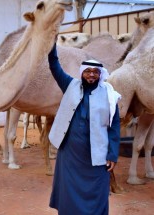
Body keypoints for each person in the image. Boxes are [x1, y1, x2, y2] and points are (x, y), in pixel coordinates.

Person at [47, 43, 121, 215]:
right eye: (88, 71)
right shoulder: (70, 85)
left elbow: (114, 126)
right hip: (70, 153)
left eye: (95, 72)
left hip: (97, 153)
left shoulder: (110, 95)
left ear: (100, 75)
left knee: (97, 189)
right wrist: (51, 46)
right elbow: (54, 66)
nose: (92, 75)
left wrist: (112, 153)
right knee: (69, 190)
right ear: (82, 73)